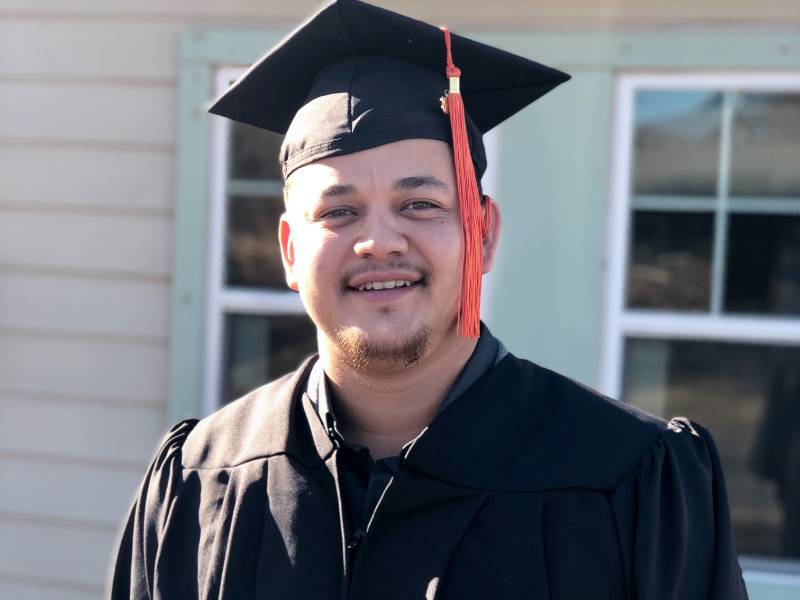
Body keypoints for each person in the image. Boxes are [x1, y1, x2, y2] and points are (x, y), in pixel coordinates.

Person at [110, 1, 750, 598]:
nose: (378, 242)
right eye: (339, 212)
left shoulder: (629, 479)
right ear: (289, 251)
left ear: (484, 233)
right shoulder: (200, 480)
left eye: (421, 204)